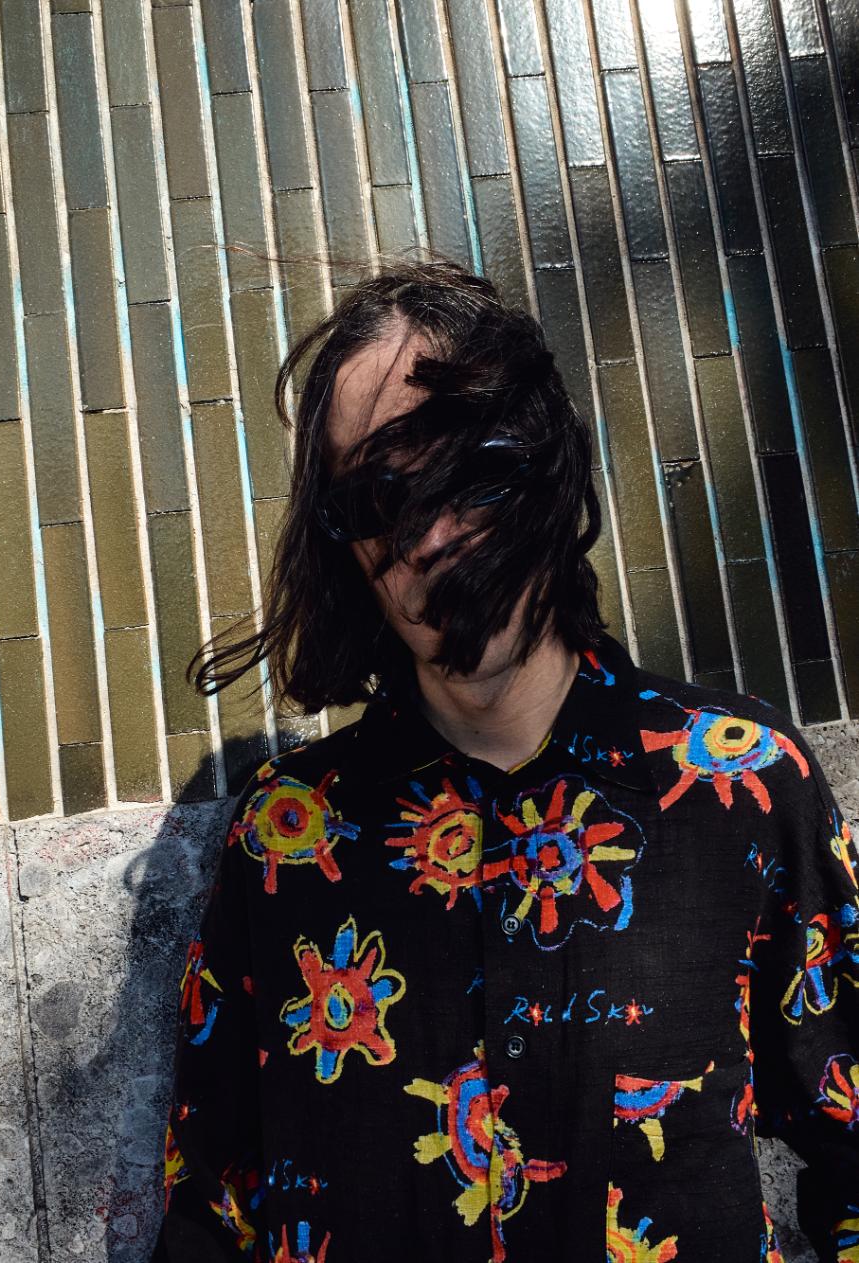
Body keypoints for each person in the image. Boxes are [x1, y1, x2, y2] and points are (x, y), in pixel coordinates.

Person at [151, 257, 859, 1262]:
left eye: (463, 467)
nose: (430, 532)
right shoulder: (284, 840)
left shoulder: (738, 781)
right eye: (378, 496)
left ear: (541, 464)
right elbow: (210, 1216)